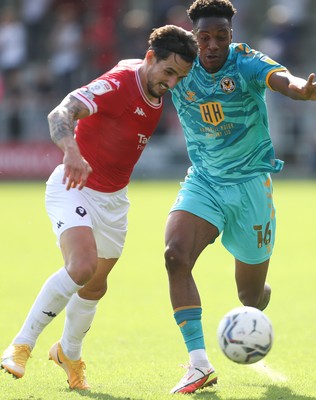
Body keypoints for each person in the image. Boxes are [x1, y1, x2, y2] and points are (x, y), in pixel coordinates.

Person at [0, 25, 198, 390]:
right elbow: (59, 114)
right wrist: (72, 153)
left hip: (114, 200)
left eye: (179, 77)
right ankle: (21, 345)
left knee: (94, 286)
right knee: (82, 267)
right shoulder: (120, 82)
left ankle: (69, 353)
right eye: (168, 72)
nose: (172, 83)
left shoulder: (157, 84)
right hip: (74, 184)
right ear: (150, 58)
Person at [164, 0, 316, 394]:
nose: (214, 44)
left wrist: (299, 91)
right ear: (194, 37)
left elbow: (280, 78)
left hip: (251, 186)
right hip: (204, 181)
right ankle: (199, 364)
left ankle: (258, 301)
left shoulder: (246, 62)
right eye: (205, 37)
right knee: (174, 255)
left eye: (222, 36)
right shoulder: (180, 66)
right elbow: (143, 79)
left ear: (232, 35)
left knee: (250, 295)